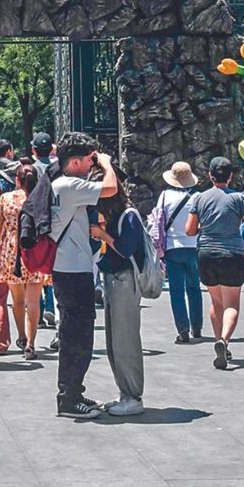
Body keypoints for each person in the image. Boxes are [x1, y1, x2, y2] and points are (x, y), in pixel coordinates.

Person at [44, 132, 118, 418]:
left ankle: (74, 391)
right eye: (88, 159)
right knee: (77, 335)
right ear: (74, 161)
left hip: (70, 268)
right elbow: (110, 187)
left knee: (76, 332)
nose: (92, 164)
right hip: (72, 269)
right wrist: (108, 163)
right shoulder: (69, 185)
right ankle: (69, 396)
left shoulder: (63, 184)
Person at [185, 157, 244, 369]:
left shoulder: (199, 198)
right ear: (231, 176)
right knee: (232, 304)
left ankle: (219, 341)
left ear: (209, 175)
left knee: (215, 302)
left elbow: (189, 230)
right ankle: (224, 341)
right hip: (231, 253)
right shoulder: (239, 198)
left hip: (206, 253)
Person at [89, 168, 147, 416]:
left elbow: (125, 249)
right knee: (114, 341)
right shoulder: (114, 217)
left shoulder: (129, 216)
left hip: (125, 280)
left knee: (126, 340)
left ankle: (133, 395)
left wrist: (103, 235)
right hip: (113, 279)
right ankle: (124, 392)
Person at [0, 163, 48, 359]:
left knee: (17, 299)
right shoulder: (42, 198)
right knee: (34, 300)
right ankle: (31, 343)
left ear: (17, 180)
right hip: (36, 249)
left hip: (11, 250)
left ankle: (22, 336)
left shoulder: (6, 199)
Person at [155, 161, 203, 344]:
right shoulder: (197, 197)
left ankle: (182, 329)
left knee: (177, 290)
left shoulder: (165, 196)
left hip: (172, 247)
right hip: (194, 246)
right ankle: (197, 327)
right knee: (194, 287)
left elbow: (159, 221)